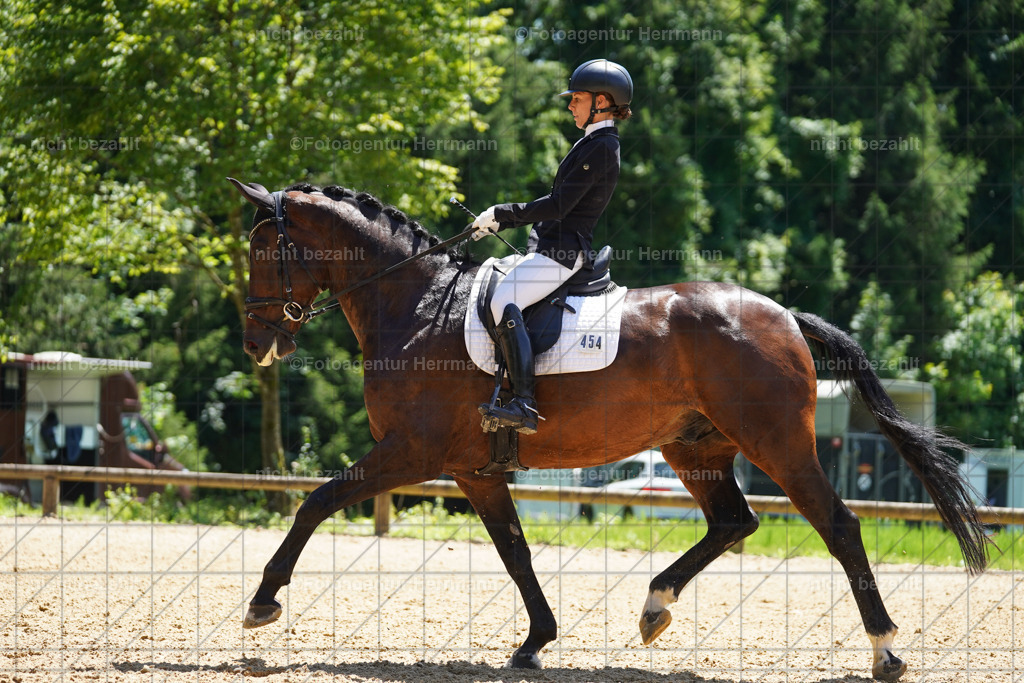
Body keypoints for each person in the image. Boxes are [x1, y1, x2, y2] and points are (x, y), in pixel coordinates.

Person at [472, 58, 632, 435]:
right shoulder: (592, 142)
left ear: (601, 102)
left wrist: (502, 214)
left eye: (577, 98)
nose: (570, 105)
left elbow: (560, 206)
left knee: (502, 301)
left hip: (563, 253)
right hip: (550, 247)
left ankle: (524, 403)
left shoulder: (602, 147)